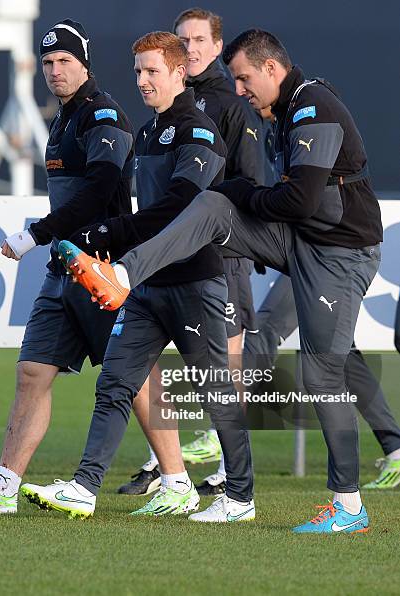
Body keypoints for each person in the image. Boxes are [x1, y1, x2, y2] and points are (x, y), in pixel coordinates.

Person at [62, 29, 383, 532]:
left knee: (323, 373)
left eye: (243, 78)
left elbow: (296, 200)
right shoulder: (277, 111)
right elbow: (282, 202)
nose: (238, 90)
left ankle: (348, 506)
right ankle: (126, 273)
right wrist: (238, 197)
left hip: (338, 254)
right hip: (300, 239)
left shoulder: (311, 106)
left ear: (272, 69)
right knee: (213, 205)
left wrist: (245, 195)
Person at [21, 31, 256, 522]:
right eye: (137, 72)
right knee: (114, 382)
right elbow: (146, 209)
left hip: (195, 282)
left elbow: (178, 207)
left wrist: (108, 232)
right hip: (148, 286)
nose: (142, 80)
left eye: (152, 71)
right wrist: (115, 241)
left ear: (179, 72)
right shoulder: (149, 132)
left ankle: (240, 498)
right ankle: (85, 488)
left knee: (215, 391)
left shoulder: (199, 130)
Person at [0, 19, 134, 513]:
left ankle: (175, 480)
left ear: (84, 64)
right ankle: (2, 488)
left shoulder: (102, 113)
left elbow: (102, 190)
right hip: (62, 268)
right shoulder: (63, 118)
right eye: (47, 62)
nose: (54, 70)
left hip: (101, 267)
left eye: (64, 61)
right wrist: (47, 241)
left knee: (133, 377)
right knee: (32, 372)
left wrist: (33, 235)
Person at [117, 7, 265, 498]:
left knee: (226, 361)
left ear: (216, 47)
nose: (194, 47)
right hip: (167, 257)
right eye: (185, 39)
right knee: (147, 359)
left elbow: (248, 180)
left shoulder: (231, 100)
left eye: (200, 39)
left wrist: (230, 236)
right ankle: (168, 465)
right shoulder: (167, 106)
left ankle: (229, 469)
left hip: (222, 254)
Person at [243, 273, 400, 490]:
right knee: (343, 354)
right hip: (334, 260)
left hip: (316, 258)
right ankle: (395, 450)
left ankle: (219, 433)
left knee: (264, 331)